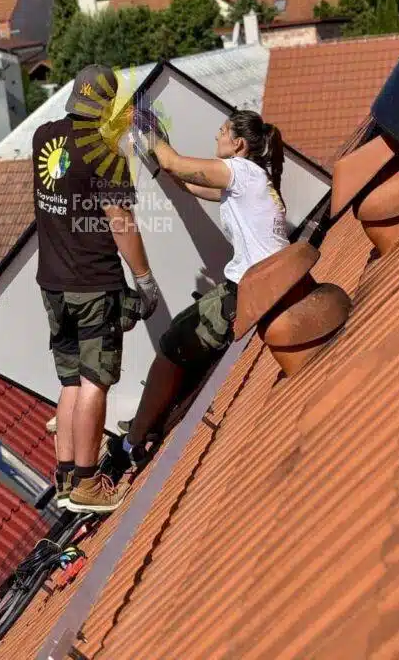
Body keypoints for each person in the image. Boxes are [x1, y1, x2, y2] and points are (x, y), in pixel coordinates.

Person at [118, 110, 288, 467]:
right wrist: (163, 159)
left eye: (222, 131)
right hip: (263, 282)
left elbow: (176, 164)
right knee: (185, 329)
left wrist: (146, 128)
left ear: (238, 144)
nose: (216, 136)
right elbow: (187, 181)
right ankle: (151, 421)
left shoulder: (238, 171)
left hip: (250, 291)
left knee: (171, 345)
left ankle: (133, 441)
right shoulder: (254, 178)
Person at [33, 64, 159, 514]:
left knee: (70, 380)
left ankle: (67, 477)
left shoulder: (43, 137)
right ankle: (89, 484)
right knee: (95, 381)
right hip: (93, 285)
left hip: (52, 284)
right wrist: (144, 280)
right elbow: (120, 223)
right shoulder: (106, 154)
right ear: (107, 106)